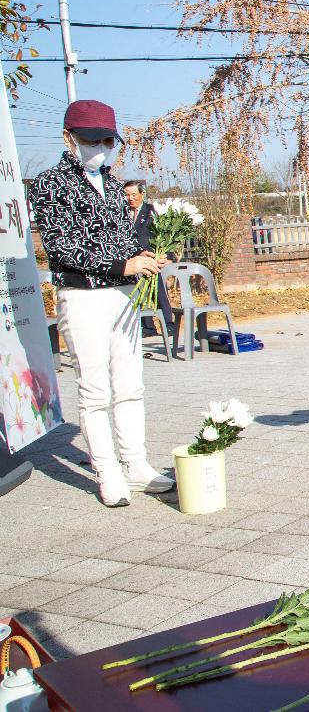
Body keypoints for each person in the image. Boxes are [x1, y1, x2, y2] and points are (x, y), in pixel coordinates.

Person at [27, 100, 175, 507]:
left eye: (108, 140)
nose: (101, 148)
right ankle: (107, 471)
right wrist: (119, 263)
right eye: (92, 140)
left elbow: (123, 238)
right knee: (94, 390)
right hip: (83, 296)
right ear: (69, 138)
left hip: (123, 295)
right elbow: (63, 247)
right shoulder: (49, 184)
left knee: (130, 385)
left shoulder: (112, 184)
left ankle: (137, 463)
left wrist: (145, 258)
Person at [123, 180, 173, 337]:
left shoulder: (152, 211)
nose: (130, 198)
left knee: (158, 292)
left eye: (134, 195)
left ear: (141, 194)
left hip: (152, 258)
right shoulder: (121, 214)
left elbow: (164, 234)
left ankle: (168, 324)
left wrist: (167, 256)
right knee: (140, 294)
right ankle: (147, 327)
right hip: (132, 261)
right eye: (127, 195)